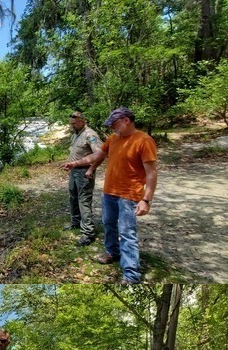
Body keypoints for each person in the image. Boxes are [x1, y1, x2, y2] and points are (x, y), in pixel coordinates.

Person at [62, 107, 158, 283]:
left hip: (129, 195)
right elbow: (97, 155)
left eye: (114, 124)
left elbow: (151, 173)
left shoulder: (144, 141)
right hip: (109, 192)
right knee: (109, 224)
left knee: (127, 232)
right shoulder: (113, 138)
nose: (112, 128)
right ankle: (112, 252)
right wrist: (75, 163)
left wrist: (146, 200)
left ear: (126, 120)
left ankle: (131, 275)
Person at [64, 111, 102, 246]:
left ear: (82, 121)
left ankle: (88, 233)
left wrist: (91, 169)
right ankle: (75, 222)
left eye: (74, 123)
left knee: (84, 201)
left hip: (85, 172)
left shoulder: (90, 134)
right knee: (73, 197)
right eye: (71, 124)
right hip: (74, 171)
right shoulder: (76, 134)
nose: (72, 126)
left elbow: (100, 154)